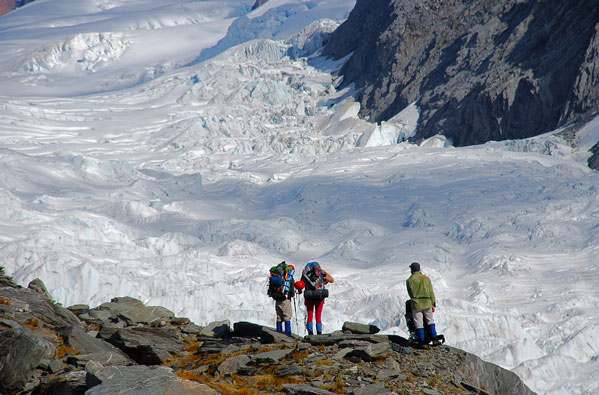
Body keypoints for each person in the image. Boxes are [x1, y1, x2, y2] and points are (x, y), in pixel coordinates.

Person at [406, 262, 441, 346]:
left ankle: (421, 341)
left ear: (412, 269)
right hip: (427, 302)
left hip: (416, 303)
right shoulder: (426, 278)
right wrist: (433, 302)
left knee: (418, 322)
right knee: (430, 320)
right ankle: (434, 339)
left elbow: (410, 293)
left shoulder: (410, 280)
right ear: (419, 269)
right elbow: (431, 292)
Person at [301, 261, 333, 335]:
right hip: (319, 297)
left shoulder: (306, 274)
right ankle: (319, 333)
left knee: (310, 314)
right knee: (318, 316)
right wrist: (322, 272)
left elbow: (301, 284)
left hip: (309, 296)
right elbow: (332, 280)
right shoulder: (320, 273)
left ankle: (310, 333)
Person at [268, 261, 296, 335]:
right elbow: (292, 290)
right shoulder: (288, 278)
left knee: (279, 317)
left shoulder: (276, 275)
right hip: (285, 299)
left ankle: (279, 332)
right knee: (287, 316)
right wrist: (291, 295)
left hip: (277, 298)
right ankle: (287, 334)